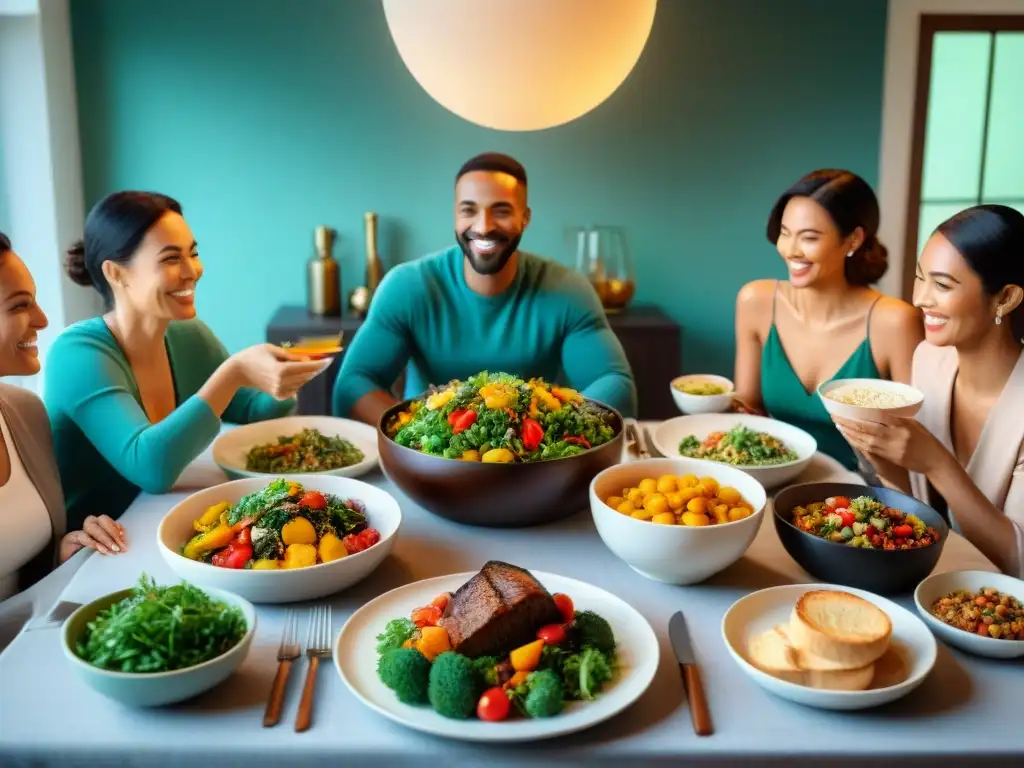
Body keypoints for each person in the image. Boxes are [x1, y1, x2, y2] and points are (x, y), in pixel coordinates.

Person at [44, 192, 327, 530]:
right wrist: (234, 372)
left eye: (193, 253)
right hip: (90, 548)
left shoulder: (187, 336)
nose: (193, 271)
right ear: (116, 273)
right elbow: (152, 468)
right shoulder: (77, 355)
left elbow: (250, 408)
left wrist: (285, 376)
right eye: (170, 259)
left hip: (158, 525)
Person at [333, 152, 637, 424]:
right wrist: (411, 430)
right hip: (427, 457)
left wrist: (548, 428)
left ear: (525, 217)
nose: (483, 226)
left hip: (532, 456)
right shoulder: (408, 286)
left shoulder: (568, 291)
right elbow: (352, 384)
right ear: (455, 215)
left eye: (501, 210)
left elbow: (615, 383)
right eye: (469, 210)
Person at [835, 205, 1024, 577]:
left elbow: (1016, 559)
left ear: (1004, 298)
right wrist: (881, 455)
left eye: (942, 285)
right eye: (920, 278)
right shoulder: (929, 360)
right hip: (929, 579)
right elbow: (922, 513)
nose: (920, 298)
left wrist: (936, 462)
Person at [733, 169, 923, 471]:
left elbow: (917, 441)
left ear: (853, 240)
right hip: (774, 479)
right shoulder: (755, 301)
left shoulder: (895, 322)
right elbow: (746, 409)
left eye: (809, 237)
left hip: (863, 496)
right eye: (785, 233)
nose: (791, 250)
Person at [0, 232, 126, 601]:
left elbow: (23, 572)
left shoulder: (24, 413)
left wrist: (63, 552)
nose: (41, 319)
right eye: (20, 306)